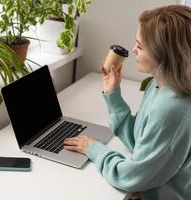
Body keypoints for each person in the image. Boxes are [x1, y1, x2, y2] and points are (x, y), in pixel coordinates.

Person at [63, 5, 191, 200]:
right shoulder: (160, 85)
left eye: (140, 46)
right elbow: (141, 142)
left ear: (164, 54)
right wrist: (113, 94)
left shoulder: (172, 107)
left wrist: (94, 149)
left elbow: (132, 177)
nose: (133, 50)